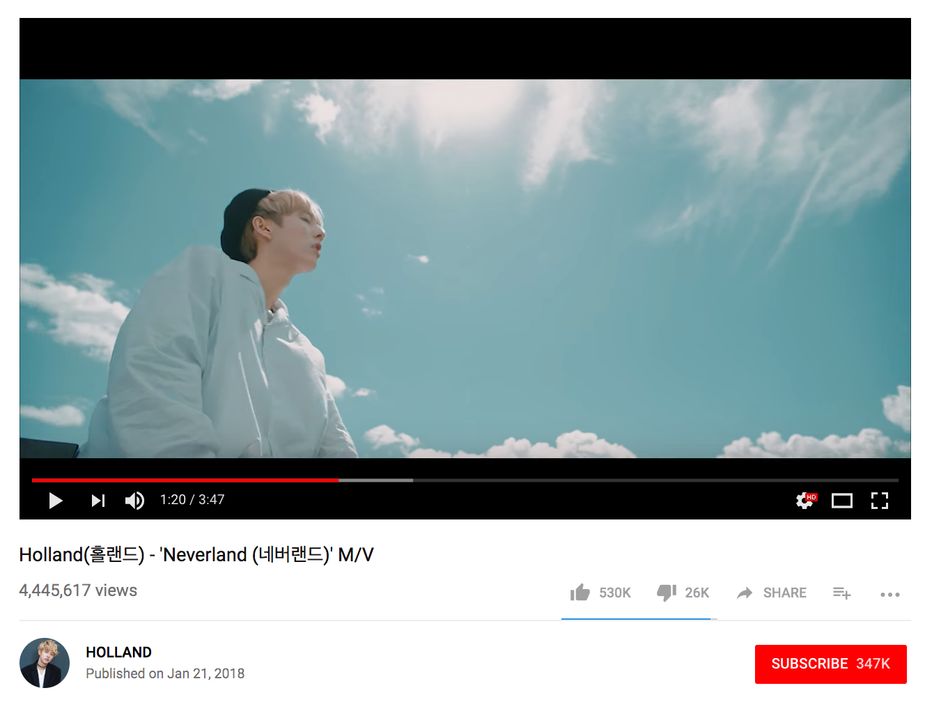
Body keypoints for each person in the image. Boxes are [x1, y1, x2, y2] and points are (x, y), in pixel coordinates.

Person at [80, 188, 358, 458]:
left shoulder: (308, 353)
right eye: (305, 219)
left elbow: (335, 444)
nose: (321, 232)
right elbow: (151, 383)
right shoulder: (203, 272)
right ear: (263, 227)